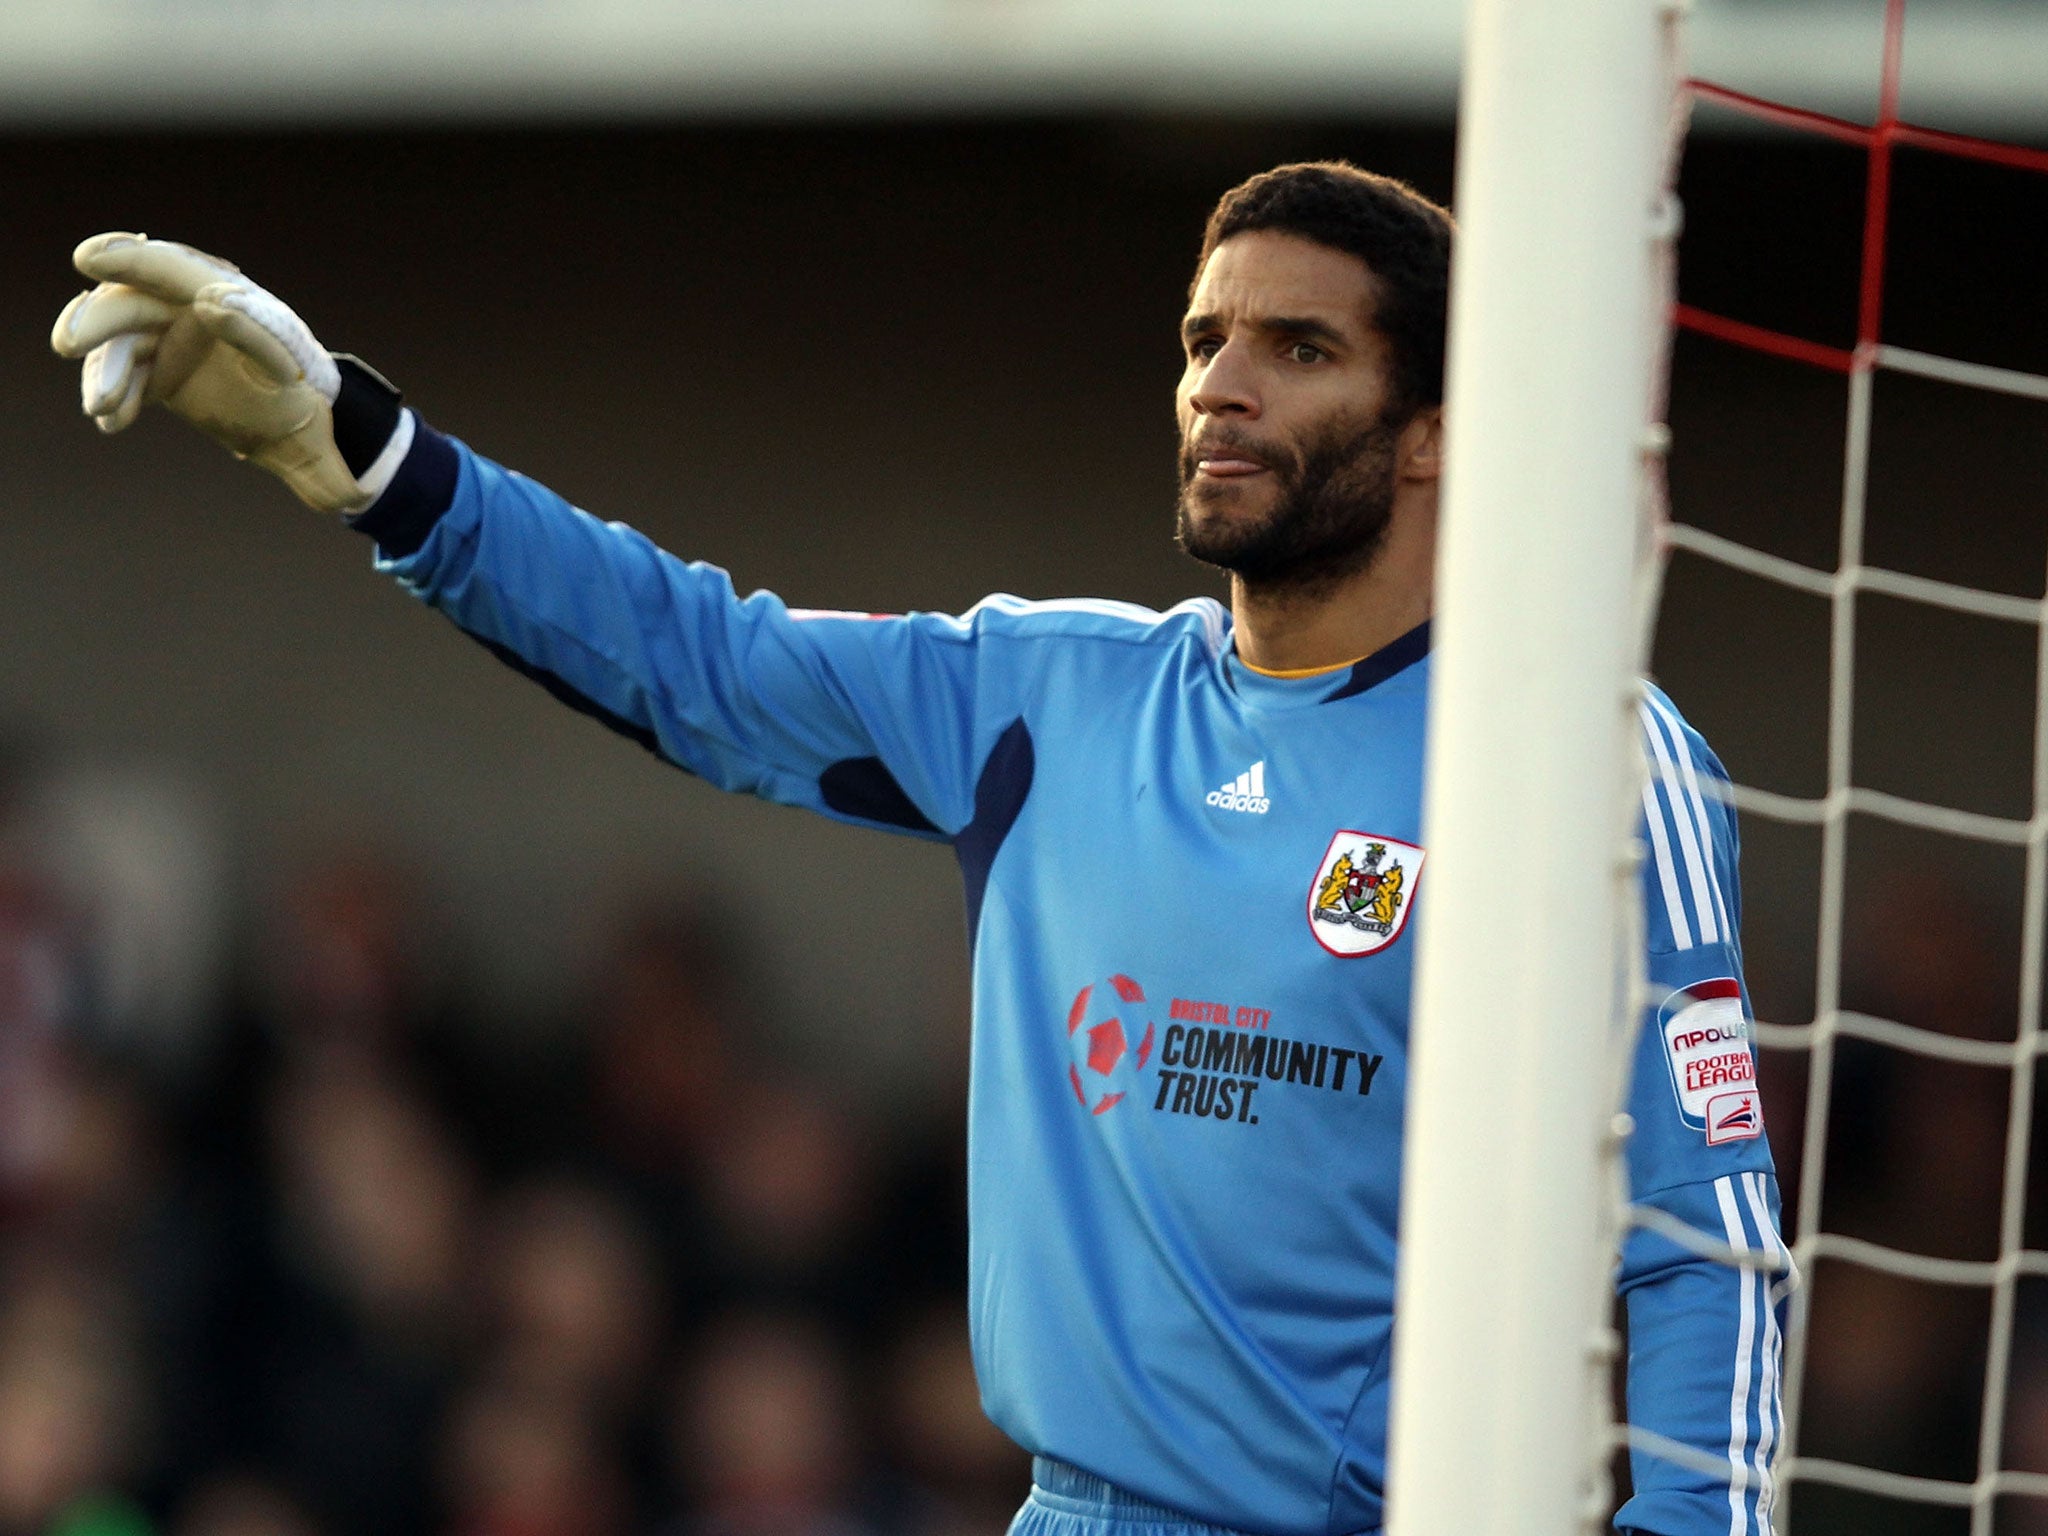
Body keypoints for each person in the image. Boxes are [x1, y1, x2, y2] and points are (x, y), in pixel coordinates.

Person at [50, 161, 1785, 1536]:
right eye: (1204, 343)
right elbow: (697, 654)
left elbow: (1705, 1238)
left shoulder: (1579, 759)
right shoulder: (1042, 694)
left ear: (1434, 437)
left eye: (1299, 349)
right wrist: (363, 456)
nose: (1223, 390)